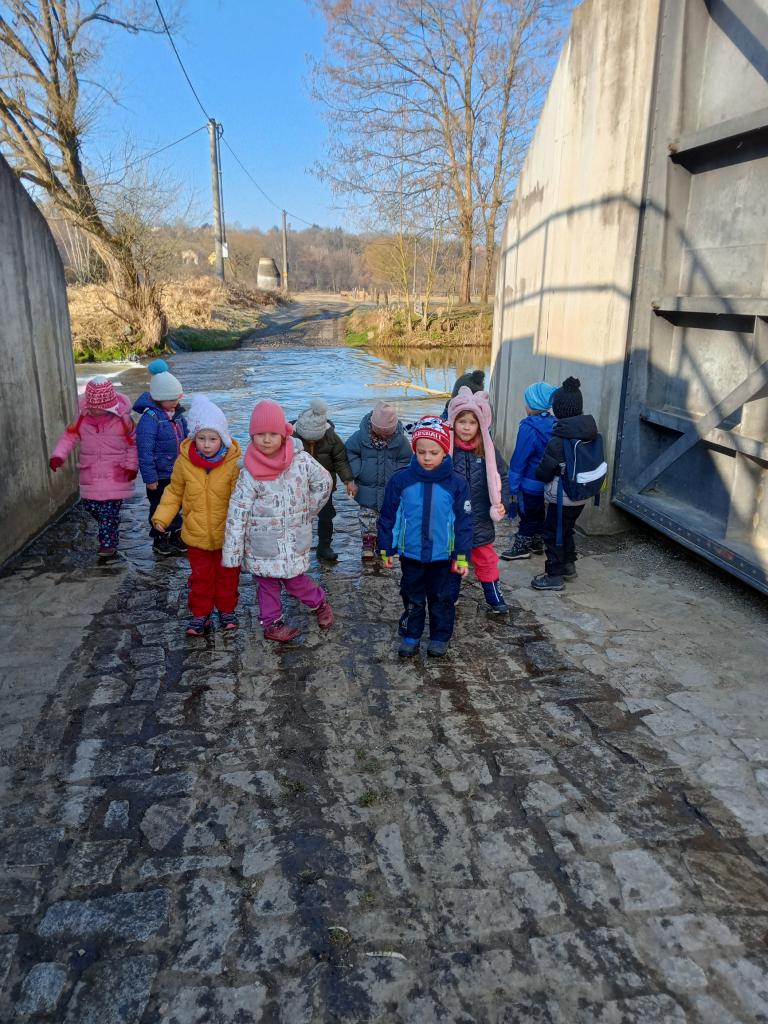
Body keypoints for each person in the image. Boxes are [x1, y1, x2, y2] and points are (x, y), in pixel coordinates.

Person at [222, 399, 334, 642]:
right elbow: (238, 511)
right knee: (267, 585)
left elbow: (324, 482)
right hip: (262, 544)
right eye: (260, 434)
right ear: (252, 436)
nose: (266, 440)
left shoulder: (301, 461)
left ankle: (319, 603)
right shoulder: (249, 471)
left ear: (283, 433)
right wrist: (232, 551)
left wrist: (309, 510)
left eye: (272, 434)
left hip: (293, 540)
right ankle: (272, 623)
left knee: (296, 582)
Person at [378, 416, 472, 658]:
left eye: (433, 452)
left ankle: (440, 636)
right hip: (411, 555)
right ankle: (411, 635)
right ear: (414, 450)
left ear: (445, 450)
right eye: (421, 452)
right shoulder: (401, 481)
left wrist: (462, 556)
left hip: (444, 557)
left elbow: (463, 523)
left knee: (442, 598)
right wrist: (386, 548)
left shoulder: (457, 484)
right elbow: (388, 517)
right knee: (412, 597)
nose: (427, 457)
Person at [152, 396, 242, 636]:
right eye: (201, 438)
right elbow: (174, 492)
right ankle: (201, 614)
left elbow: (241, 497)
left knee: (228, 576)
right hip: (195, 534)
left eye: (213, 439)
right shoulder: (184, 463)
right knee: (201, 577)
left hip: (227, 536)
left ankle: (226, 610)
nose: (207, 444)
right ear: (194, 437)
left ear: (222, 438)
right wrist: (162, 517)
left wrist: (246, 525)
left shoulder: (234, 464)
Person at [49, 376, 138, 563]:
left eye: (101, 408)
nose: (96, 411)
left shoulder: (124, 421)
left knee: (107, 513)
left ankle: (108, 544)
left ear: (110, 405)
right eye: (93, 407)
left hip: (116, 474)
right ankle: (110, 525)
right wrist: (58, 456)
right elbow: (69, 438)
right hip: (91, 474)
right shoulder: (82, 420)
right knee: (91, 506)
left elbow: (133, 445)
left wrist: (131, 466)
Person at [447, 386, 510, 614]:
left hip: (481, 516)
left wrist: (503, 501)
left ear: (480, 425)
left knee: (485, 558)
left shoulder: (488, 450)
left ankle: (494, 598)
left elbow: (503, 476)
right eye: (462, 421)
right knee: (454, 557)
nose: (466, 427)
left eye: (472, 423)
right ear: (453, 422)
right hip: (454, 518)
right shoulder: (446, 450)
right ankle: (450, 595)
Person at [532, 377, 598, 591]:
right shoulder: (590, 433)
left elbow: (544, 472)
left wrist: (536, 474)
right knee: (567, 530)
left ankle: (554, 575)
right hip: (582, 493)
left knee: (552, 534)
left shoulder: (558, 440)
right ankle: (569, 566)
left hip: (562, 497)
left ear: (558, 410)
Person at [133, 359, 188, 557]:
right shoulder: (150, 419)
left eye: (177, 397)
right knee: (159, 506)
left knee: (177, 504)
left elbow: (187, 440)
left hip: (177, 472)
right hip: (159, 475)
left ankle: (175, 535)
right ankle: (159, 539)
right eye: (171, 399)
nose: (175, 402)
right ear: (158, 398)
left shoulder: (178, 415)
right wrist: (150, 478)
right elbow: (144, 451)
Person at [346, 401, 412, 559]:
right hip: (366, 486)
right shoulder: (360, 437)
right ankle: (368, 542)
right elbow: (349, 452)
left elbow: (406, 459)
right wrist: (357, 471)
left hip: (390, 488)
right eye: (380, 433)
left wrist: (399, 477)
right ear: (372, 426)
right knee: (367, 515)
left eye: (387, 434)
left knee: (388, 518)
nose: (384, 436)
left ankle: (384, 545)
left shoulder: (400, 440)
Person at [292, 399, 355, 563]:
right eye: (307, 440)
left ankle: (324, 546)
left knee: (326, 516)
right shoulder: (290, 438)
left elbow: (340, 460)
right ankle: (294, 548)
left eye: (315, 440)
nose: (311, 442)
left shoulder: (331, 438)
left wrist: (348, 480)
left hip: (324, 487)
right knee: (296, 518)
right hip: (297, 487)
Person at [501, 381, 557, 561]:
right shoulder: (554, 423)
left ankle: (521, 547)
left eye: (526, 402)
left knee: (527, 515)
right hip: (546, 482)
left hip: (529, 483)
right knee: (539, 513)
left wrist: (512, 486)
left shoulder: (528, 427)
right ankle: (537, 542)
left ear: (532, 404)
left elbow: (519, 459)